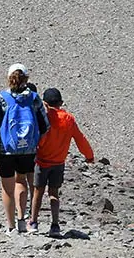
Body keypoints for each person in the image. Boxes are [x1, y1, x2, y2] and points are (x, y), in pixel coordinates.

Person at [0, 64, 49, 235]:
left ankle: (11, 226)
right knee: (23, 180)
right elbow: (45, 124)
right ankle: (23, 219)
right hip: (28, 149)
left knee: (7, 187)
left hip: (6, 149)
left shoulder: (3, 97)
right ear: (26, 79)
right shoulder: (33, 98)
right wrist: (35, 141)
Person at [28, 87, 95, 237]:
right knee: (54, 193)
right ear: (61, 102)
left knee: (38, 191)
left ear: (45, 103)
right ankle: (55, 225)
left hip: (42, 161)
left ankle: (33, 222)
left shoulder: (45, 117)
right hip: (58, 162)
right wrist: (89, 156)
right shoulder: (69, 120)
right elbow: (80, 139)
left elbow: (40, 138)